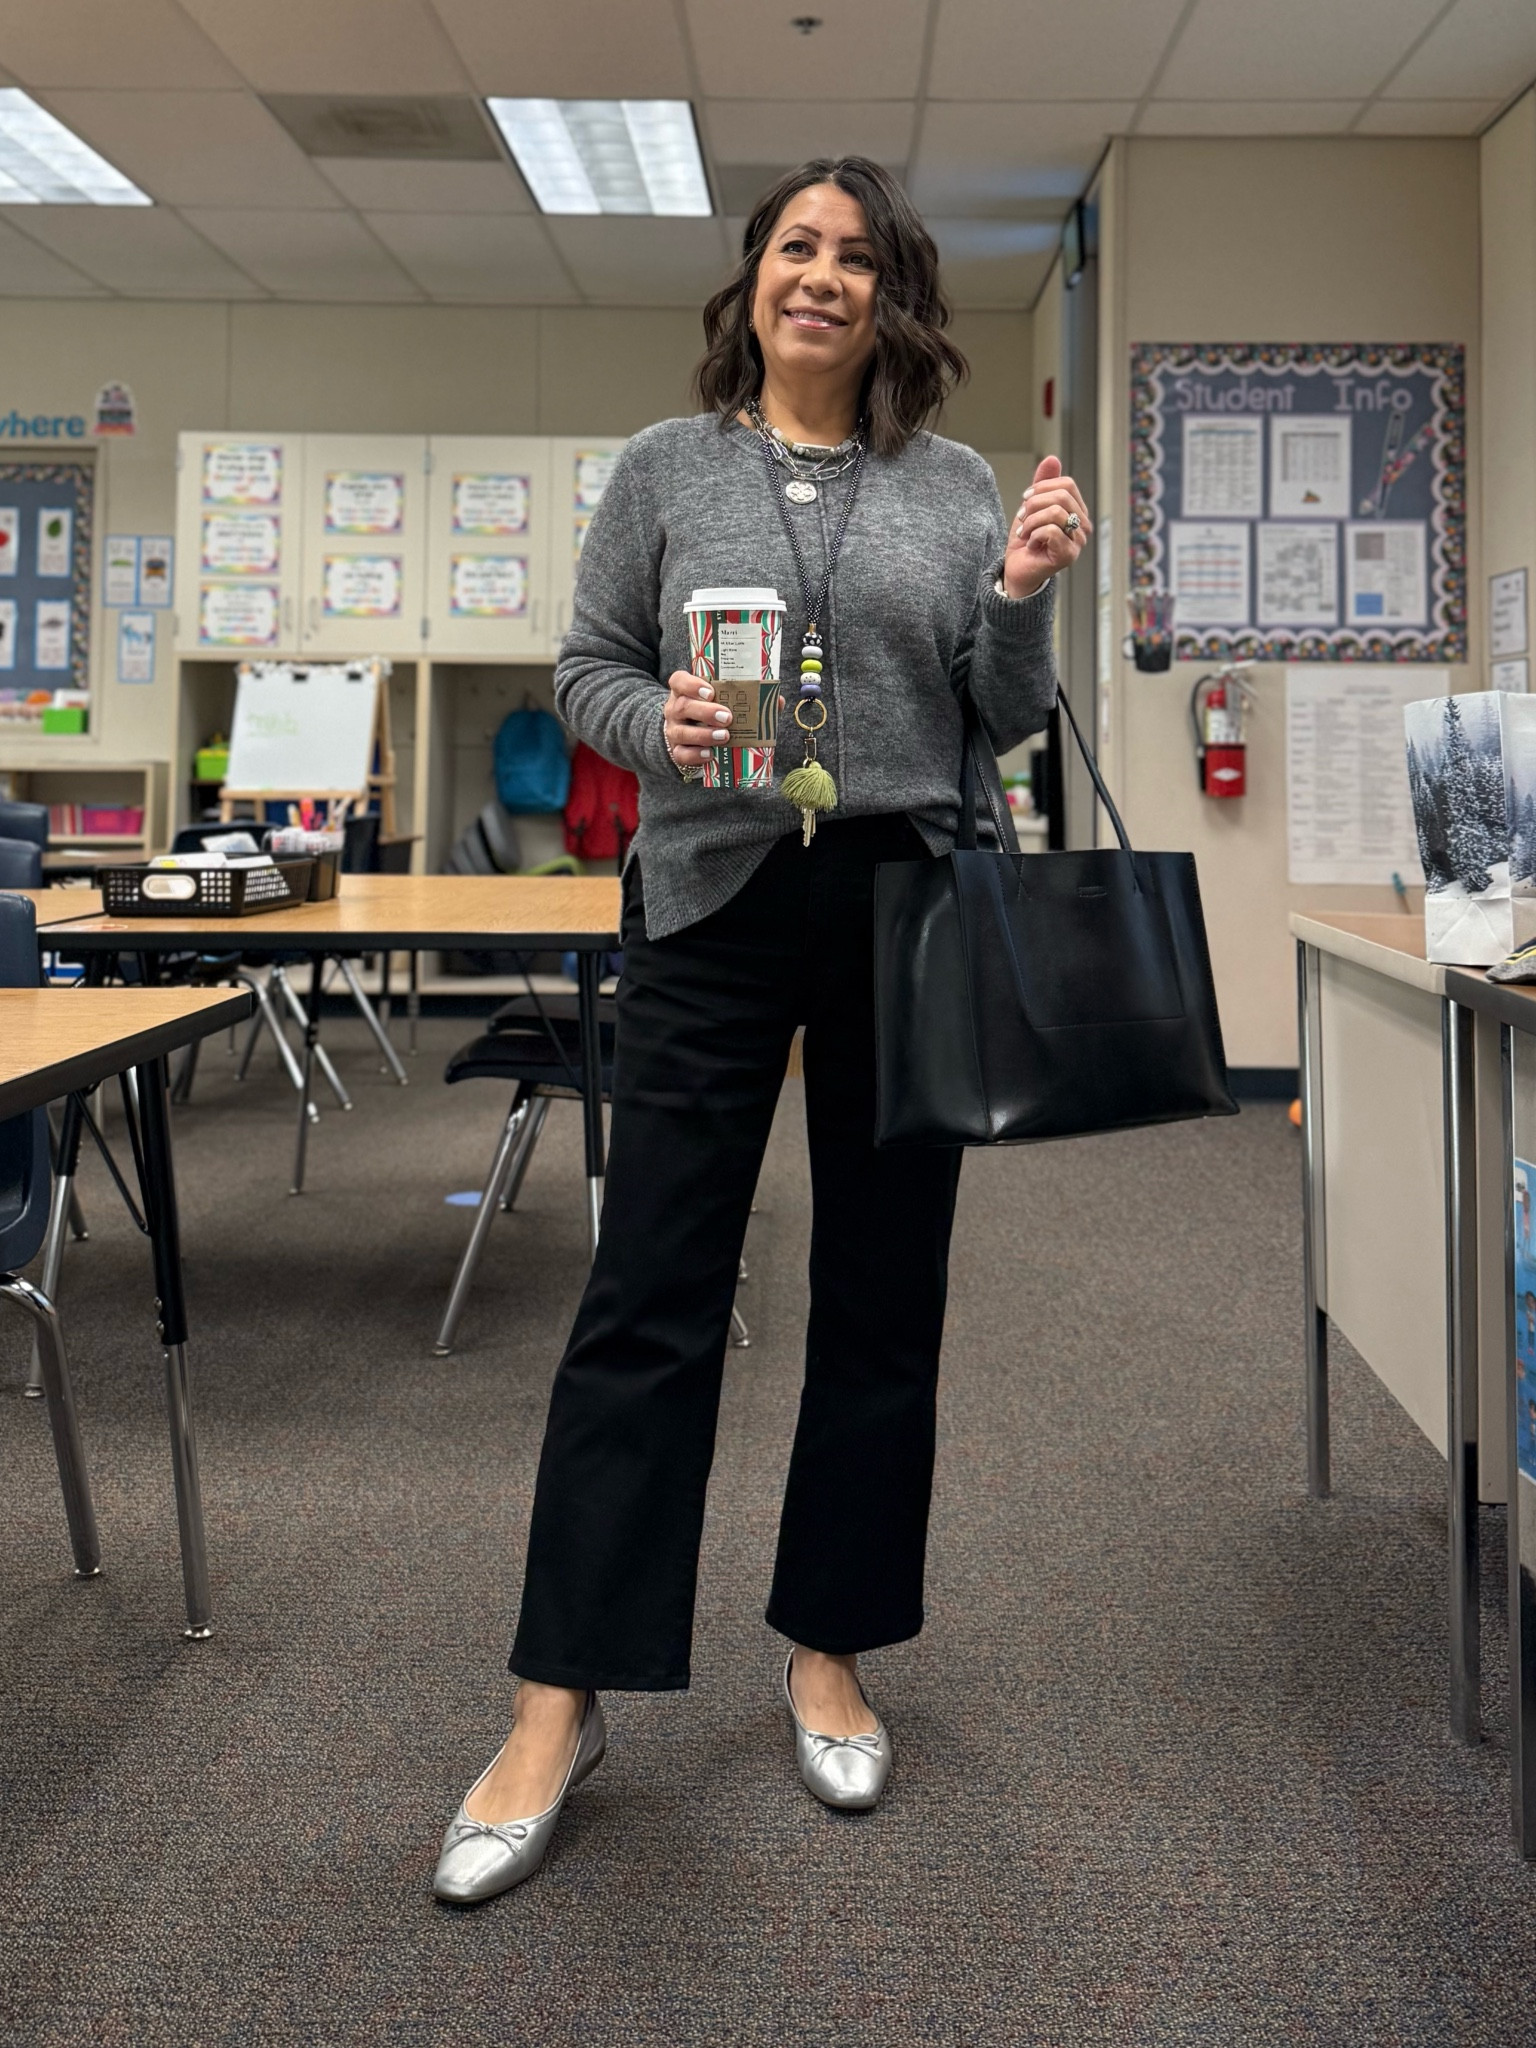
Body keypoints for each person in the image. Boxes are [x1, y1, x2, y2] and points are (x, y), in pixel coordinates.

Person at [433, 155, 1092, 1906]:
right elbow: (582, 669)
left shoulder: (953, 486)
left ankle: (828, 1649)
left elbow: (1003, 723)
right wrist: (665, 723)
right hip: (715, 899)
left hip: (902, 900)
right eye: (797, 247)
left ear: (891, 295)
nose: (823, 275)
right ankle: (556, 1697)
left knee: (884, 1297)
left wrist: (1022, 588)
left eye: (856, 255)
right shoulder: (665, 468)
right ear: (754, 281)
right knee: (649, 1296)